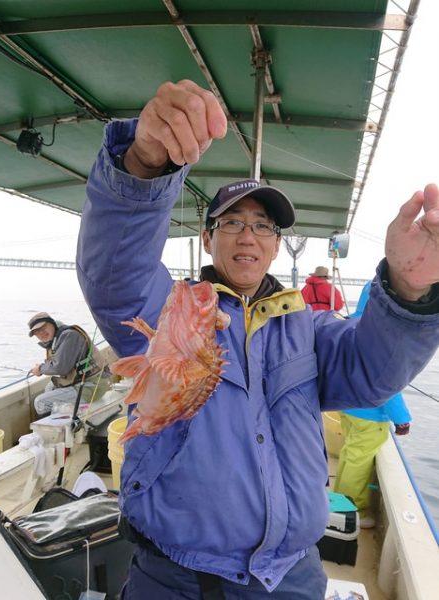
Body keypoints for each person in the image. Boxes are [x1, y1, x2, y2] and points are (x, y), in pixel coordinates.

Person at [76, 79, 439, 599]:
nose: (248, 235)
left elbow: (373, 374)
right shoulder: (174, 306)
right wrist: (144, 165)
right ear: (207, 237)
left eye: (264, 227)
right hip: (172, 575)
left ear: (275, 247)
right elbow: (114, 274)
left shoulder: (308, 329)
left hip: (288, 576)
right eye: (233, 223)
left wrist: (408, 288)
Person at [334, 281, 412, 528]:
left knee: (349, 454)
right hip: (369, 414)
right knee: (358, 459)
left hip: (346, 406)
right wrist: (401, 419)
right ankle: (351, 508)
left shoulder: (347, 325)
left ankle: (337, 500)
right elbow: (388, 386)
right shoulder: (385, 338)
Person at [28, 312, 110, 417]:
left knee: (40, 402)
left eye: (43, 327)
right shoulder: (55, 339)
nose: (41, 333)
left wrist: (40, 369)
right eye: (36, 332)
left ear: (52, 323)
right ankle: (60, 422)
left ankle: (51, 430)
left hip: (92, 386)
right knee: (50, 387)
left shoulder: (69, 335)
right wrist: (43, 367)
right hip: (81, 381)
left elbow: (60, 368)